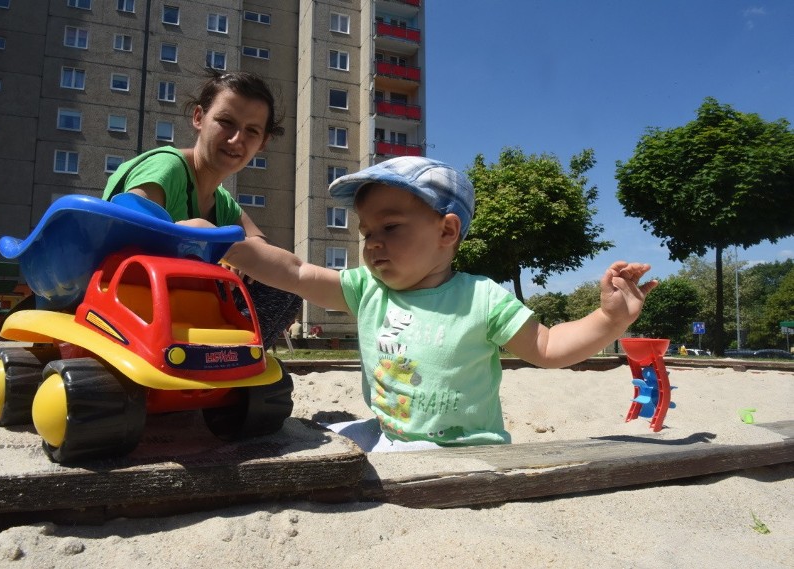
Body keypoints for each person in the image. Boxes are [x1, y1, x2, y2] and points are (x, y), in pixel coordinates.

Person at [223, 156, 658, 451]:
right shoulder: (367, 288)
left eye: (390, 227)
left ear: (447, 232)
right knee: (320, 436)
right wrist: (231, 245)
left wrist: (607, 318)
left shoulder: (480, 297)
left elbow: (548, 347)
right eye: (366, 231)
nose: (373, 242)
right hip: (389, 430)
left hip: (459, 449)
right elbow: (297, 273)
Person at [102, 69, 301, 349]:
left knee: (283, 286)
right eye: (225, 122)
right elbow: (128, 232)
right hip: (125, 299)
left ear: (263, 142)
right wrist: (197, 233)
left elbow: (260, 244)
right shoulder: (167, 167)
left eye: (252, 131)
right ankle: (227, 360)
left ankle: (232, 360)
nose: (236, 140)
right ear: (199, 117)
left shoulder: (221, 200)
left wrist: (240, 254)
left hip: (176, 303)